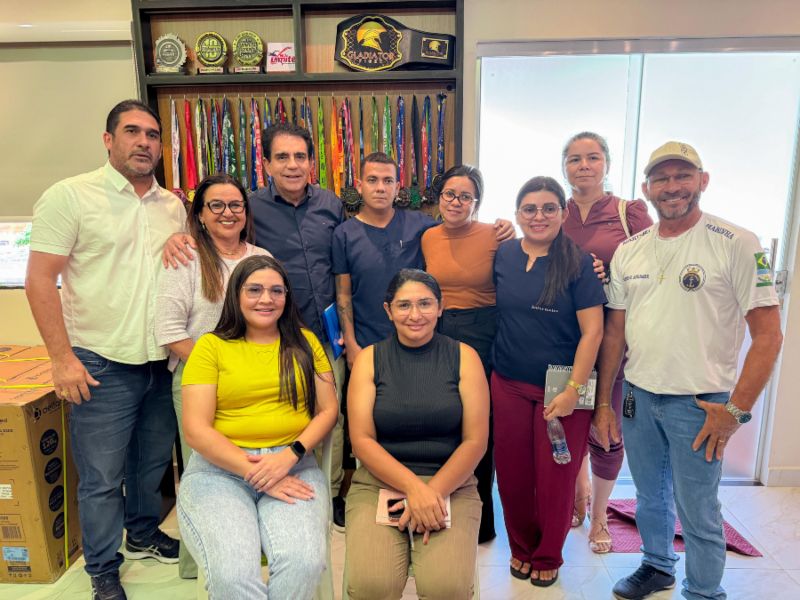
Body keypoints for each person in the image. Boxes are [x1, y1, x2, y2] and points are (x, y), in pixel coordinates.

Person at [599, 141, 782, 600]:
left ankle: (703, 591)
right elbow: (615, 333)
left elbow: (768, 336)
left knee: (697, 506)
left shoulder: (737, 243)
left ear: (703, 181)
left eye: (683, 175)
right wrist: (604, 402)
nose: (672, 186)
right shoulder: (630, 250)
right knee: (648, 496)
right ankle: (657, 566)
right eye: (661, 178)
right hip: (639, 396)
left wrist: (735, 412)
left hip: (701, 405)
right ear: (646, 188)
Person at [25, 99, 186, 600]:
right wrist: (61, 359)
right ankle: (102, 568)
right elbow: (39, 280)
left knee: (151, 464)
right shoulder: (71, 196)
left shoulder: (172, 206)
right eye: (132, 132)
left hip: (159, 360)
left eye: (153, 135)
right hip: (98, 361)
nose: (144, 142)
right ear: (108, 139)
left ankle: (142, 533)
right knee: (101, 477)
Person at [162, 123, 348, 529]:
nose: (292, 164)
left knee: (326, 423)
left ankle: (327, 494)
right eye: (282, 157)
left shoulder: (330, 205)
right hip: (234, 363)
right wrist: (179, 236)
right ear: (266, 164)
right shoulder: (245, 213)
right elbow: (169, 326)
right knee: (216, 458)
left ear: (312, 162)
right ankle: (223, 528)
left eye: (300, 156)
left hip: (309, 341)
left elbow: (341, 268)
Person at [178, 255, 339, 599]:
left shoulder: (306, 343)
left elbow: (328, 411)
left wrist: (289, 457)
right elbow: (195, 430)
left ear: (286, 297)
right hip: (219, 471)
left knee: (303, 563)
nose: (266, 299)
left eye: (276, 291)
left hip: (293, 466)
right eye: (254, 290)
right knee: (232, 575)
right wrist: (260, 472)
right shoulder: (210, 347)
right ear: (236, 295)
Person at [345, 269, 489, 599]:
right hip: (379, 482)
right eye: (404, 305)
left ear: (440, 307)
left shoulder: (465, 357)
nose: (415, 315)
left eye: (425, 303)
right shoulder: (369, 360)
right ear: (388, 310)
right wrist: (414, 489)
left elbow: (475, 441)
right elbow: (362, 440)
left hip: (451, 483)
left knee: (445, 588)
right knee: (372, 586)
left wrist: (431, 492)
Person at [154, 173, 270, 578]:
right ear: (200, 215)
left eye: (235, 205)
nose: (227, 213)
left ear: (246, 212)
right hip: (198, 383)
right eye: (216, 205)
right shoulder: (186, 258)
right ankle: (202, 567)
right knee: (205, 476)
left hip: (253, 384)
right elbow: (169, 331)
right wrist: (218, 370)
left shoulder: (261, 257)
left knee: (249, 469)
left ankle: (244, 559)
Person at [492, 176, 605, 587]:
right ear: (518, 213)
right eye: (529, 209)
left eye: (548, 208)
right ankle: (521, 547)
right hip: (507, 382)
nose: (538, 216)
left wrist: (574, 390)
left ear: (563, 212)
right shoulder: (504, 254)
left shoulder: (579, 263)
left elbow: (593, 332)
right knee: (512, 474)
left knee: (555, 478)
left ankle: (547, 554)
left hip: (561, 390)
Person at [333, 153, 514, 370]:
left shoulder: (420, 226)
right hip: (368, 339)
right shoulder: (344, 235)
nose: (380, 188)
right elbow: (343, 294)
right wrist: (350, 343)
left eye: (388, 181)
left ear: (397, 187)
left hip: (424, 334)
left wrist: (505, 226)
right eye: (372, 180)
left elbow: (460, 229)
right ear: (360, 185)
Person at [561, 131, 653, 553]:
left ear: (607, 164)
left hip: (613, 339)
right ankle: (578, 496)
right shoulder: (555, 212)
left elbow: (651, 268)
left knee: (606, 427)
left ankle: (600, 517)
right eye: (575, 158)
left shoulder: (627, 212)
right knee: (570, 421)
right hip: (563, 338)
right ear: (565, 167)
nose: (584, 165)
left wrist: (607, 274)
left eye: (592, 157)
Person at [420, 164, 500, 544]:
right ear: (440, 198)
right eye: (450, 194)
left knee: (478, 423)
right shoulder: (428, 237)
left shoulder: (495, 235)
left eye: (465, 196)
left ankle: (481, 522)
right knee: (442, 418)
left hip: (481, 331)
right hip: (437, 331)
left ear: (476, 202)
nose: (456, 202)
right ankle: (439, 505)